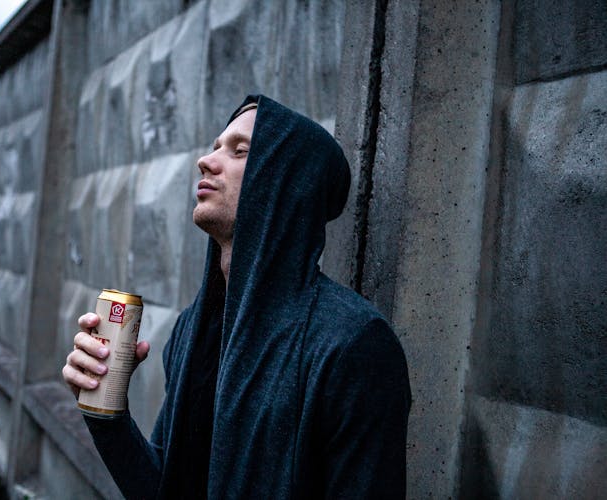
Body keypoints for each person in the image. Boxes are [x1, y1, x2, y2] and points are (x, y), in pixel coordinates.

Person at [63, 95, 411, 499]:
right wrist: (106, 412)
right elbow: (165, 489)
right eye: (215, 148)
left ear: (284, 181)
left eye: (239, 151)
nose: (206, 162)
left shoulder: (353, 342)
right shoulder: (192, 329)